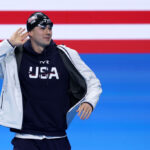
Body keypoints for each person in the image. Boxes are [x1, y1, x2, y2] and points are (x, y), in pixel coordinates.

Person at [0, 12, 102, 150]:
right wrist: (8, 44)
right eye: (42, 27)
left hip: (58, 139)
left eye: (50, 27)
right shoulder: (14, 57)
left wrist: (89, 101)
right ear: (29, 32)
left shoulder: (66, 54)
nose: (48, 31)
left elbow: (93, 83)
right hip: (25, 140)